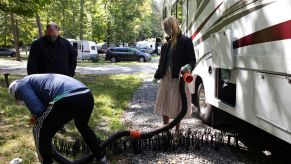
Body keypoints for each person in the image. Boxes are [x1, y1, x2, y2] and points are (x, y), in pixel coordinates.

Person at [8, 74, 107, 164]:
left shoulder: (20, 86)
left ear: (16, 95)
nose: (22, 101)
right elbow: (46, 102)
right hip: (86, 95)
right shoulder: (34, 80)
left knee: (41, 130)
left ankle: (46, 162)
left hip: (67, 97)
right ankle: (101, 158)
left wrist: (36, 118)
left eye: (19, 99)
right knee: (83, 126)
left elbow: (39, 110)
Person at [153, 16, 196, 132]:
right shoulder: (165, 44)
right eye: (165, 28)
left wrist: (188, 67)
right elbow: (161, 62)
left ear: (175, 26)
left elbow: (192, 60)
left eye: (168, 27)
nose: (166, 30)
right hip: (166, 78)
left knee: (178, 105)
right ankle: (165, 129)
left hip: (178, 78)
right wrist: (157, 75)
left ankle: (177, 130)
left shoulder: (186, 41)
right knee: (164, 103)